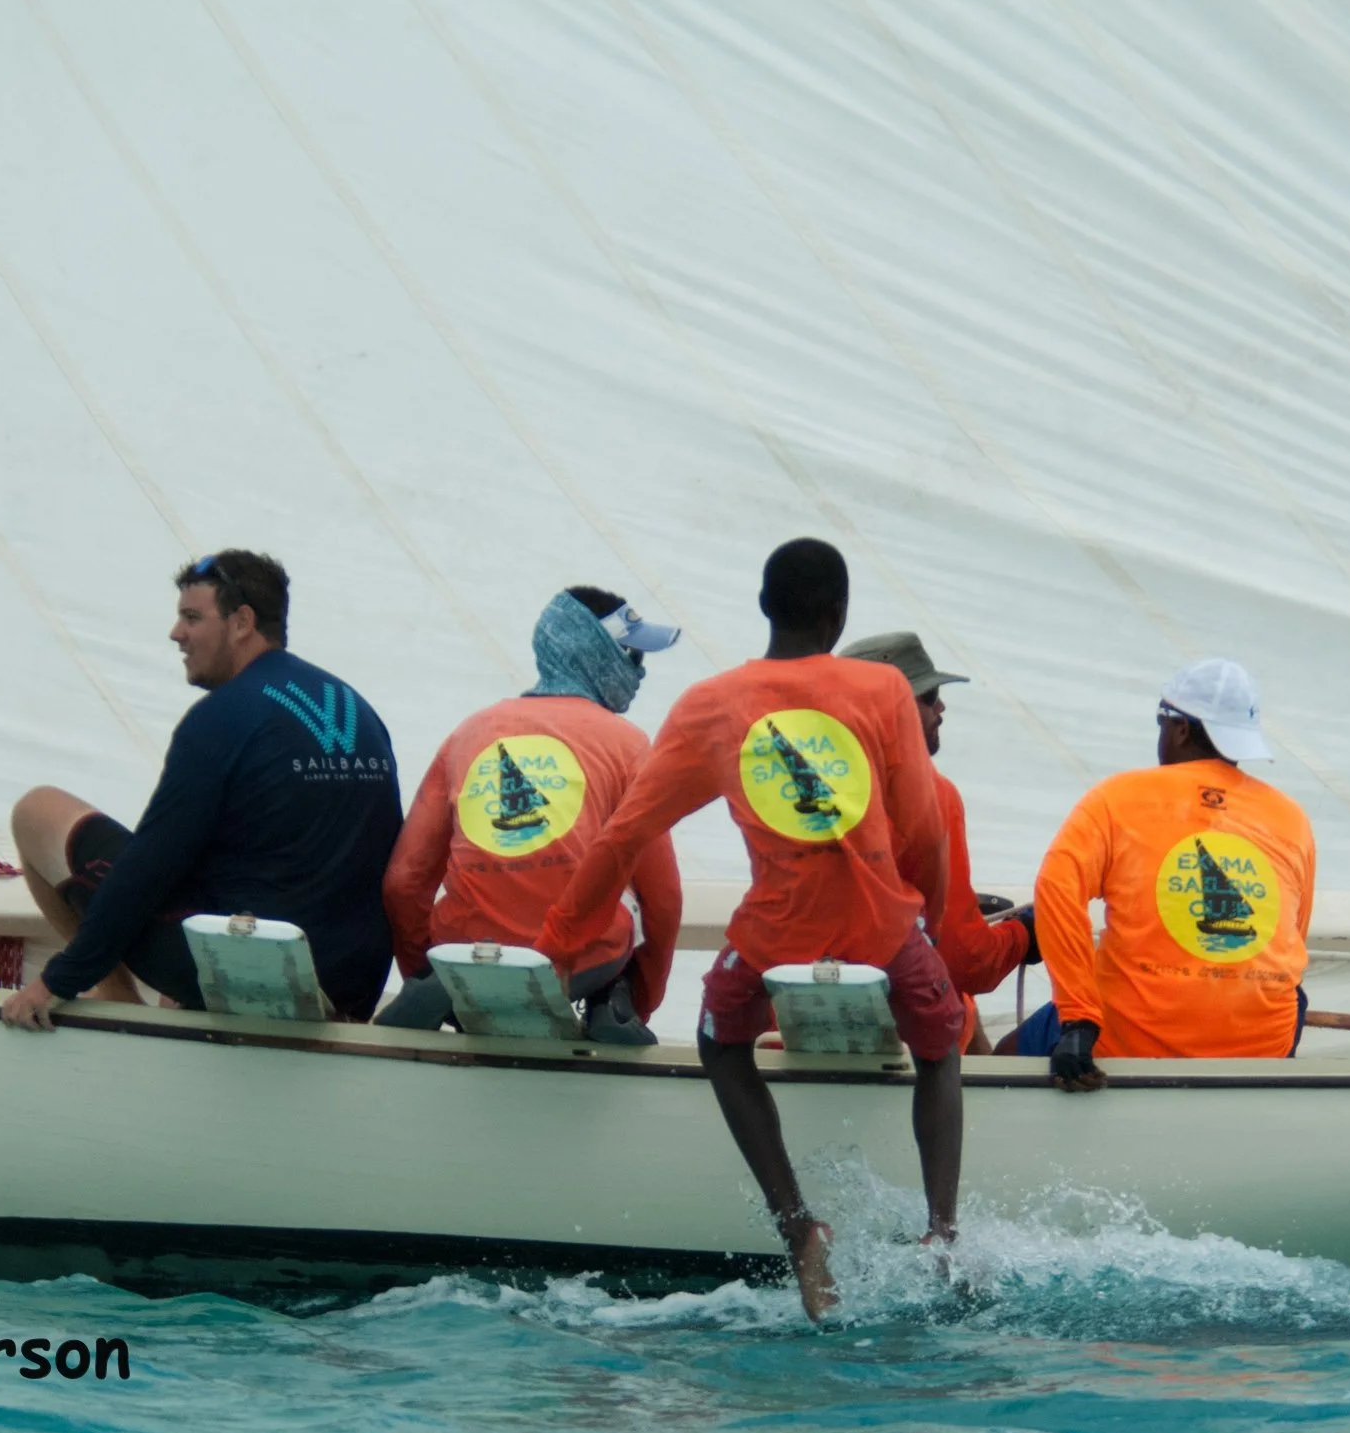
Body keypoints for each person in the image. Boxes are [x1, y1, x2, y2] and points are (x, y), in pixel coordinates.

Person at [534, 539, 957, 1322]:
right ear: (839, 616)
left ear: (764, 608)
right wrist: (923, 912)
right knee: (942, 1045)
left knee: (721, 1042)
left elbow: (622, 838)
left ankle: (799, 1224)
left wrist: (557, 944)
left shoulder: (712, 704)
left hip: (772, 940)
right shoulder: (884, 691)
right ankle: (941, 1231)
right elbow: (925, 832)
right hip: (884, 933)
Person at [0, 551, 403, 1032]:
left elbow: (146, 869)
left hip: (259, 981)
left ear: (242, 622)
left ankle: (117, 999)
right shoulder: (357, 709)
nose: (176, 634)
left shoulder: (222, 717)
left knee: (37, 811)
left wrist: (56, 981)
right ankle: (175, 999)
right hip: (351, 985)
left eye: (192, 617)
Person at [376, 586, 685, 1043]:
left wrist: (422, 967)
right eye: (634, 657)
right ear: (597, 654)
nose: (641, 674)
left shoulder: (469, 732)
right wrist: (644, 999)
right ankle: (611, 1001)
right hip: (578, 962)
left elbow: (404, 881)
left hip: (465, 953)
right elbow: (665, 899)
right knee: (630, 896)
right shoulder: (628, 744)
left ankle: (436, 988)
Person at [1025, 659, 1315, 1090]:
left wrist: (1079, 1018)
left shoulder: (1116, 799)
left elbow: (1056, 890)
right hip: (1262, 1049)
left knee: (1008, 1049)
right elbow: (1293, 930)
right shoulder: (1291, 818)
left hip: (1129, 1042)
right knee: (1296, 998)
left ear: (1179, 729)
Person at [836, 632, 1037, 1055]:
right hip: (892, 1032)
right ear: (892, 707)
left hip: (793, 1013)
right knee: (963, 1011)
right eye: (929, 697)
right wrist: (1024, 936)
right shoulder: (931, 793)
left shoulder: (796, 786)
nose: (941, 708)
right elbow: (963, 960)